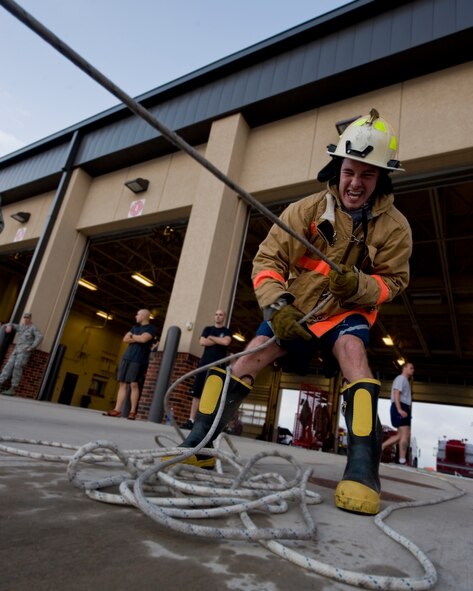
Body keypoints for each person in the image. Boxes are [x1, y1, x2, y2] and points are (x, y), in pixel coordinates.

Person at [170, 109, 412, 516]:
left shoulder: (396, 227)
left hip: (345, 313)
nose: (355, 183)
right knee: (249, 356)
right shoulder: (306, 210)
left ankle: (363, 470)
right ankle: (199, 444)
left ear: (381, 178)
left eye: (367, 175)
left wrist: (360, 286)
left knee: (355, 356)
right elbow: (267, 261)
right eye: (350, 171)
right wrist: (276, 305)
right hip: (295, 309)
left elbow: (395, 282)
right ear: (339, 167)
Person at [181, 309, 232, 429]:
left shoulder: (227, 331)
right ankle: (191, 420)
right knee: (197, 392)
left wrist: (211, 338)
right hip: (204, 364)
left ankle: (209, 423)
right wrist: (216, 340)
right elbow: (202, 342)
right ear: (214, 316)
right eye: (216, 314)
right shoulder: (207, 329)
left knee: (215, 394)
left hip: (219, 366)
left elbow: (226, 342)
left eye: (220, 315)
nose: (218, 316)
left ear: (224, 317)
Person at [104, 309, 157, 420]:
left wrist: (132, 337)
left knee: (134, 384)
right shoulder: (134, 328)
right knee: (122, 384)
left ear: (143, 316)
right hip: (126, 358)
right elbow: (125, 339)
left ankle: (132, 412)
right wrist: (136, 338)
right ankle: (117, 410)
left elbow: (143, 339)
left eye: (138, 314)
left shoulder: (151, 328)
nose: (136, 316)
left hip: (138, 359)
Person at [0, 312, 43, 396]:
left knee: (17, 367)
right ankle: (0, 381)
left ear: (30, 319)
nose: (26, 319)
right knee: (8, 366)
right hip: (16, 350)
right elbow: (11, 324)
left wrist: (31, 347)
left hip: (24, 352)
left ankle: (13, 389)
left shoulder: (33, 328)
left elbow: (40, 336)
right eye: (25, 318)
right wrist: (9, 326)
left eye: (27, 318)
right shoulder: (22, 327)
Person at [382, 362, 415, 464]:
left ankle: (381, 446)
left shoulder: (405, 380)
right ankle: (402, 460)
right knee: (405, 433)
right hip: (400, 406)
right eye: (411, 368)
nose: (413, 370)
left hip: (402, 406)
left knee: (400, 434)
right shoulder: (401, 379)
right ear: (404, 368)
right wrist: (400, 409)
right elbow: (396, 393)